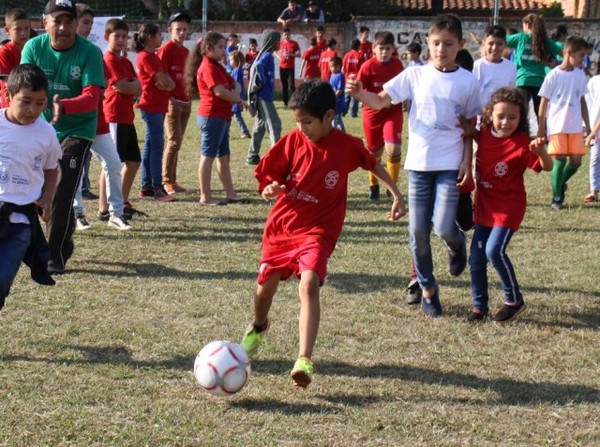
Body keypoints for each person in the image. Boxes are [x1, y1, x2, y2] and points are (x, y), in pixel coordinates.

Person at [239, 80, 406, 388]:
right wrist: (270, 188)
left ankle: (304, 359)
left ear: (329, 116)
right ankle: (259, 326)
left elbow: (374, 163)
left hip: (319, 230)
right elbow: (268, 176)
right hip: (283, 227)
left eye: (307, 122)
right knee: (265, 290)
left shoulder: (346, 145)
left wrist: (396, 192)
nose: (302, 128)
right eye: (298, 122)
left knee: (310, 282)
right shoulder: (292, 142)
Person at [347, 13, 481, 317]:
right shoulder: (414, 75)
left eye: (448, 44)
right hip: (419, 166)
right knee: (417, 231)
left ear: (460, 45)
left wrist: (468, 163)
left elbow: (471, 128)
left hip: (450, 165)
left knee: (445, 226)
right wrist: (360, 94)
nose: (441, 49)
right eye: (436, 43)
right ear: (429, 43)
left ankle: (457, 244)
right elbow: (381, 101)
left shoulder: (468, 82)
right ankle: (428, 289)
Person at [21, 0, 106, 275]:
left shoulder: (90, 53)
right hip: (41, 129)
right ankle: (63, 237)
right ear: (45, 23)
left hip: (77, 129)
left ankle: (53, 256)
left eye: (69, 21)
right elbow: (24, 85)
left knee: (61, 190)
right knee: (34, 191)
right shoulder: (34, 48)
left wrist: (64, 105)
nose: (63, 27)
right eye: (57, 21)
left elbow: (93, 97)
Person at [467, 87, 552, 323]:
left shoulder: (524, 143)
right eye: (500, 116)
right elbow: (477, 136)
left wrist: (541, 152)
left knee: (494, 250)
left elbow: (547, 167)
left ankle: (514, 300)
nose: (505, 122)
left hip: (508, 208)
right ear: (490, 116)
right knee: (475, 259)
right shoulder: (484, 134)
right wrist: (468, 131)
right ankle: (478, 307)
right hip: (484, 207)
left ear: (521, 119)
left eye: (512, 118)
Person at [0, 64, 62, 311]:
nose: (32, 110)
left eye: (40, 103)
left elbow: (51, 169)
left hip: (21, 221)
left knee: (2, 279)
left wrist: (47, 198)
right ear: (7, 96)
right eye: (25, 102)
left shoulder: (46, 133)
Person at [71, 4, 131, 231]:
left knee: (114, 163)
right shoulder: (66, 51)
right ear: (73, 23)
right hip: (75, 122)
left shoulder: (94, 52)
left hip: (97, 120)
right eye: (85, 23)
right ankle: (77, 213)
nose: (88, 28)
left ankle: (117, 212)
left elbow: (104, 84)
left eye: (90, 23)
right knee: (75, 167)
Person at [185, 32, 249, 206]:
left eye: (223, 46)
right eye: (220, 47)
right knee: (208, 157)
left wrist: (235, 93)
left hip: (221, 116)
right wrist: (239, 99)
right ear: (208, 49)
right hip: (211, 116)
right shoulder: (207, 67)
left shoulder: (218, 66)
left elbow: (235, 84)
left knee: (224, 157)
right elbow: (220, 91)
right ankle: (205, 197)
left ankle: (231, 194)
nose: (224, 51)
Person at [538, 36, 591, 210]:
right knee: (559, 161)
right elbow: (544, 103)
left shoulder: (580, 75)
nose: (584, 59)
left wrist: (588, 126)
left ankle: (560, 183)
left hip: (575, 126)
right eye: (581, 55)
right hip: (557, 125)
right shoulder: (553, 75)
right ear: (569, 53)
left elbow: (582, 101)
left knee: (576, 162)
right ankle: (557, 198)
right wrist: (541, 127)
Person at [355, 30, 404, 201]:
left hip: (393, 112)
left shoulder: (398, 65)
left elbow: (404, 87)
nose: (384, 52)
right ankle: (373, 185)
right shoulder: (367, 66)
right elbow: (359, 90)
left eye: (388, 48)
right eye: (381, 48)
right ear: (374, 48)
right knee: (375, 152)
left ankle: (392, 187)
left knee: (393, 147)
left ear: (393, 49)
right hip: (372, 114)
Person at [103, 17, 144, 220]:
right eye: (116, 36)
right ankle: (104, 208)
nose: (120, 40)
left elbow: (138, 87)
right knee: (112, 163)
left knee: (134, 161)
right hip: (114, 116)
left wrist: (132, 85)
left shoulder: (126, 62)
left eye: (124, 36)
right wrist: (132, 85)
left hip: (127, 117)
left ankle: (122, 201)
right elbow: (125, 86)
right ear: (106, 37)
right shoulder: (108, 60)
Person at [134, 23, 176, 202]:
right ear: (150, 37)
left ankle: (146, 186)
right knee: (156, 146)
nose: (162, 37)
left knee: (151, 146)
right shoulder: (146, 57)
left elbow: (170, 83)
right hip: (151, 106)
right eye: (159, 34)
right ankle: (157, 187)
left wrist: (166, 82)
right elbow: (162, 81)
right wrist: (166, 82)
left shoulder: (154, 56)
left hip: (157, 106)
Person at [158, 11, 192, 196]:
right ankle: (166, 181)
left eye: (185, 29)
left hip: (185, 101)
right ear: (170, 30)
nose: (182, 33)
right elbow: (161, 76)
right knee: (173, 141)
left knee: (177, 142)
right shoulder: (166, 50)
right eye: (178, 29)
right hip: (172, 102)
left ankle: (173, 178)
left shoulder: (186, 51)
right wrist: (169, 97)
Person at [506, 13, 562, 120]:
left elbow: (502, 40)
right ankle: (542, 133)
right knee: (540, 112)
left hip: (523, 79)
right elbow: (563, 53)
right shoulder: (545, 40)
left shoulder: (520, 38)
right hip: (539, 81)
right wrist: (554, 62)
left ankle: (523, 134)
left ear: (527, 24)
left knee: (521, 111)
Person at [245, 30, 282, 166]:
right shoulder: (267, 56)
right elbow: (258, 65)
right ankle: (275, 158)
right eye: (279, 40)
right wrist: (261, 78)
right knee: (275, 125)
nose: (280, 43)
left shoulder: (269, 55)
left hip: (265, 97)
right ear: (272, 42)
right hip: (263, 98)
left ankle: (252, 155)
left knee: (259, 127)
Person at [473, 25, 517, 110]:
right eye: (491, 43)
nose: (495, 48)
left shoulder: (511, 67)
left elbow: (512, 92)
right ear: (484, 44)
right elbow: (474, 93)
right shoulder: (479, 65)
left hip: (503, 114)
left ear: (505, 45)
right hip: (482, 115)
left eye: (499, 44)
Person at [0, 8, 30, 109]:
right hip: (11, 104)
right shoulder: (4, 51)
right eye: (18, 29)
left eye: (26, 28)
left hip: (29, 101)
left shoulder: (32, 48)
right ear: (7, 30)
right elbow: (8, 80)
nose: (23, 33)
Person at [584, 67, 600, 203]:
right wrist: (587, 127)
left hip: (596, 129)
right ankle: (594, 190)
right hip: (596, 129)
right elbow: (587, 104)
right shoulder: (594, 81)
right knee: (595, 157)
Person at [230, 50, 251, 139]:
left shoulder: (238, 71)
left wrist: (236, 97)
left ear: (236, 61)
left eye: (231, 60)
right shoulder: (236, 70)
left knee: (236, 114)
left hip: (236, 97)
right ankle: (224, 132)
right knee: (229, 114)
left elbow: (237, 84)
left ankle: (245, 131)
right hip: (234, 96)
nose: (230, 62)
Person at [278, 27, 300, 107]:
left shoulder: (294, 44)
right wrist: (279, 57)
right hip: (282, 67)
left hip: (290, 67)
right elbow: (273, 51)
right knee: (284, 86)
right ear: (283, 35)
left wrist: (290, 54)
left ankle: (295, 101)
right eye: (285, 34)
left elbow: (299, 54)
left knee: (291, 85)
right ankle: (285, 103)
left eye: (287, 34)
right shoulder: (280, 44)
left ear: (290, 34)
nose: (286, 36)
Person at [342, 38, 361, 118]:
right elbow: (362, 68)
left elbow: (343, 68)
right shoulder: (360, 55)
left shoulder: (347, 55)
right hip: (356, 79)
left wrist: (344, 77)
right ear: (359, 46)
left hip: (347, 79)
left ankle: (344, 112)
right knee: (355, 97)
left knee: (347, 97)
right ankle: (353, 113)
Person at [328, 56, 345, 131]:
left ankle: (340, 134)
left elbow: (340, 89)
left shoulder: (340, 76)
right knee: (334, 117)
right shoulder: (332, 75)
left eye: (332, 67)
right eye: (330, 67)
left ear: (338, 66)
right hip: (332, 100)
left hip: (338, 101)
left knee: (336, 118)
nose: (330, 68)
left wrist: (333, 97)